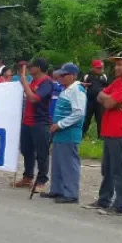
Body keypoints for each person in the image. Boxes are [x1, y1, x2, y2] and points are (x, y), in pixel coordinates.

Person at [83, 51, 122, 216]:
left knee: (119, 170)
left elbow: (107, 102)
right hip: (109, 131)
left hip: (121, 133)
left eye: (120, 64)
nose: (116, 67)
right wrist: (110, 100)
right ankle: (104, 200)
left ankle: (119, 205)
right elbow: (100, 96)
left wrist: (110, 100)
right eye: (116, 64)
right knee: (107, 168)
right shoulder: (118, 81)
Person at [41, 63, 87, 204]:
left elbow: (78, 112)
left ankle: (71, 193)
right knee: (58, 162)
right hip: (59, 132)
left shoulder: (77, 90)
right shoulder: (65, 89)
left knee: (68, 164)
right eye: (59, 75)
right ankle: (57, 189)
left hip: (69, 133)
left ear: (72, 76)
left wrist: (60, 125)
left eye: (63, 75)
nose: (60, 77)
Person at [13, 58, 54, 193]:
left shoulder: (46, 82)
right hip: (27, 121)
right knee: (26, 150)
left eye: (32, 66)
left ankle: (41, 181)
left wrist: (24, 83)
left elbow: (33, 98)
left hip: (40, 122)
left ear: (40, 68)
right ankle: (28, 176)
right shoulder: (34, 81)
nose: (30, 68)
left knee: (42, 153)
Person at [82, 59, 108, 139]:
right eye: (98, 68)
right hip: (89, 100)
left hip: (99, 102)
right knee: (87, 118)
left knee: (100, 118)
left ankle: (101, 136)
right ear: (93, 68)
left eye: (101, 68)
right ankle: (82, 134)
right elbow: (80, 85)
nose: (100, 70)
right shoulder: (87, 76)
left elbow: (107, 87)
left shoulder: (104, 77)